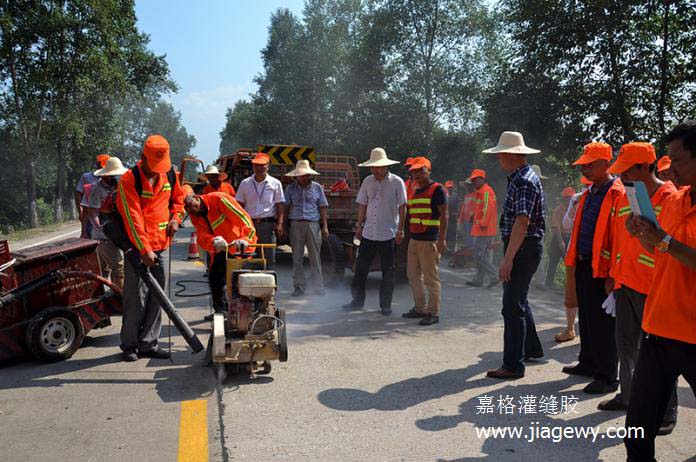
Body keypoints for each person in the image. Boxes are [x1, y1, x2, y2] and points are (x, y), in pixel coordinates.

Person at [623, 121, 696, 461]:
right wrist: (643, 233)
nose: (671, 169)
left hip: (693, 333)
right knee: (638, 426)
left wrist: (663, 241)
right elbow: (661, 251)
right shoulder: (675, 200)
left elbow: (673, 248)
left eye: (677, 160)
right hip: (658, 327)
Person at [597, 142, 680, 431]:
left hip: (655, 287)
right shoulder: (631, 195)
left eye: (628, 170)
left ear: (645, 166)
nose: (623, 176)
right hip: (626, 281)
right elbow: (624, 239)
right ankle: (627, 395)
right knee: (626, 345)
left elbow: (668, 246)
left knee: (660, 355)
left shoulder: (671, 198)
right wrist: (613, 272)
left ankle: (667, 413)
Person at [116, 135, 185, 362]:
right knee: (135, 298)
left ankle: (148, 343)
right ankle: (129, 345)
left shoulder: (170, 175)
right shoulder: (129, 180)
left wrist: (176, 218)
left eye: (160, 166)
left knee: (158, 297)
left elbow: (179, 201)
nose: (157, 171)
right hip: (138, 249)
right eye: (153, 166)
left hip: (162, 247)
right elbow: (132, 218)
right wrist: (144, 249)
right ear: (142, 158)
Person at [483, 131, 545, 380]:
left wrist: (508, 258)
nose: (498, 159)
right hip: (522, 244)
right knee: (520, 300)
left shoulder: (524, 181)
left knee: (511, 306)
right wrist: (505, 240)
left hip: (524, 247)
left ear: (509, 155)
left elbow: (522, 222)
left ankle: (513, 365)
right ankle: (531, 348)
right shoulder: (520, 177)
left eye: (500, 155)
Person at [563, 142, 624, 394]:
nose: (585, 169)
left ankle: (607, 376)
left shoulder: (617, 193)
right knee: (587, 317)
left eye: (589, 165)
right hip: (584, 261)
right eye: (583, 165)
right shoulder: (589, 193)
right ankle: (588, 362)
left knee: (603, 324)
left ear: (604, 164)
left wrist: (614, 273)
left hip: (604, 267)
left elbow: (620, 237)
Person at [342, 148, 407, 315]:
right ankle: (357, 300)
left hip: (388, 233)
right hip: (369, 233)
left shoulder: (397, 182)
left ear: (386, 166)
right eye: (373, 167)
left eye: (378, 167)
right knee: (361, 269)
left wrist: (401, 230)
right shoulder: (367, 182)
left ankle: (385, 305)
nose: (375, 170)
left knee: (388, 271)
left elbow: (402, 207)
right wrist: (358, 226)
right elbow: (362, 205)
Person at [184, 191, 257, 317]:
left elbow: (244, 219)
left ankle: (244, 312)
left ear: (197, 198)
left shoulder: (219, 200)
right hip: (221, 248)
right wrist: (213, 241)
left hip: (238, 246)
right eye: (187, 209)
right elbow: (201, 236)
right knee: (215, 277)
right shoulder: (195, 215)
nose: (191, 210)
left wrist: (245, 240)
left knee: (238, 280)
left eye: (192, 205)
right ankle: (220, 311)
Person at [401, 157, 448, 326]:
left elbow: (444, 216)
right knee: (412, 276)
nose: (417, 174)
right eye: (414, 171)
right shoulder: (414, 190)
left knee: (430, 278)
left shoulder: (437, 190)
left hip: (429, 242)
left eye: (421, 170)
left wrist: (442, 239)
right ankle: (420, 308)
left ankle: (433, 312)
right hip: (414, 240)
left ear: (429, 170)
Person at [283, 160, 329, 296]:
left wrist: (325, 226)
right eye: (301, 175)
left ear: (309, 175)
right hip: (296, 223)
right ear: (296, 176)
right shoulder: (290, 189)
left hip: (313, 224)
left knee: (315, 256)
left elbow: (323, 207)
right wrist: (284, 225)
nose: (303, 177)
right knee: (297, 257)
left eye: (305, 175)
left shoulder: (317, 188)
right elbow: (285, 208)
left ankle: (318, 286)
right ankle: (299, 286)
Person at [235, 153, 285, 269]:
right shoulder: (245, 183)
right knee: (248, 256)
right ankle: (248, 283)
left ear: (268, 166)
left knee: (268, 259)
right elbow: (239, 206)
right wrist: (238, 225)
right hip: (249, 226)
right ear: (253, 166)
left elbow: (280, 205)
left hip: (268, 225)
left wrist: (280, 224)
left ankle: (269, 285)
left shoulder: (275, 183)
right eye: (257, 165)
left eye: (263, 165)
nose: (260, 167)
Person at [84, 157, 128, 289]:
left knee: (105, 270)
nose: (115, 177)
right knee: (119, 268)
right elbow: (93, 213)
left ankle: (111, 299)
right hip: (104, 236)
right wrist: (103, 229)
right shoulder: (97, 189)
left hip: (115, 233)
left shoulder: (117, 185)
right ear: (105, 175)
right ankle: (121, 300)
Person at [555, 185, 583, 343]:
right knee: (571, 292)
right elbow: (566, 224)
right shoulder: (576, 198)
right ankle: (570, 328)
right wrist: (574, 207)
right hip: (575, 250)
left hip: (596, 254)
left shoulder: (610, 194)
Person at [464, 169, 498, 288]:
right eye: (473, 179)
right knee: (481, 254)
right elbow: (481, 208)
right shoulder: (481, 192)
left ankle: (494, 276)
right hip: (481, 228)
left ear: (483, 179)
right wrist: (473, 216)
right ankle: (479, 279)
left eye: (476, 179)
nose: (474, 181)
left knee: (479, 254)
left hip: (484, 229)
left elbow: (489, 208)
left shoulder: (486, 191)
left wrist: (483, 223)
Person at [545, 187, 575, 289]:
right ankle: (549, 283)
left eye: (572, 197)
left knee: (570, 263)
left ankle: (569, 285)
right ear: (565, 198)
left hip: (569, 238)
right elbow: (556, 227)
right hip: (559, 237)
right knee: (553, 260)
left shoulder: (574, 209)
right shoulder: (559, 209)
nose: (571, 199)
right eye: (569, 197)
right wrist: (560, 242)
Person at [76, 154, 110, 238]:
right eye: (101, 166)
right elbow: (79, 195)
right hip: (91, 216)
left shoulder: (111, 179)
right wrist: (80, 210)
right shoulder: (87, 178)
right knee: (90, 237)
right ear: (97, 165)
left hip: (106, 217)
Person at [457, 180, 477, 250]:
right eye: (466, 186)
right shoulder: (466, 195)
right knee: (466, 234)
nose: (467, 187)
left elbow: (477, 207)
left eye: (468, 185)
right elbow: (463, 208)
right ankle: (468, 248)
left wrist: (473, 216)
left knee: (471, 235)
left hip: (472, 219)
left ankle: (471, 249)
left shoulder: (476, 194)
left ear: (472, 186)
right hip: (466, 219)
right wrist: (461, 219)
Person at [444, 180, 460, 254]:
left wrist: (457, 213)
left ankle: (452, 250)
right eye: (448, 187)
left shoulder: (455, 196)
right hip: (445, 219)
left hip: (453, 219)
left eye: (451, 187)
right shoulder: (443, 195)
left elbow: (460, 204)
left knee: (452, 234)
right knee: (445, 234)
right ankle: (444, 249)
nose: (449, 189)